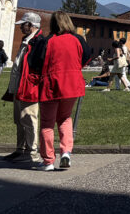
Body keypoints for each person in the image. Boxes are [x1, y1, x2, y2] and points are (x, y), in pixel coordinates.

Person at [26, 11, 90, 171]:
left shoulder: (47, 41)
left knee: (47, 124)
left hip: (51, 85)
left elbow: (34, 63)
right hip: (73, 84)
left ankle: (48, 160)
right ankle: (66, 152)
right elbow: (87, 57)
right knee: (65, 118)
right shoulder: (78, 39)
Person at [1, 12, 43, 163]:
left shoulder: (39, 42)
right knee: (19, 120)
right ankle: (20, 149)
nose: (20, 28)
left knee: (29, 119)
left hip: (29, 87)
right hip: (19, 86)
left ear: (31, 26)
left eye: (23, 25)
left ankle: (31, 152)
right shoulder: (27, 40)